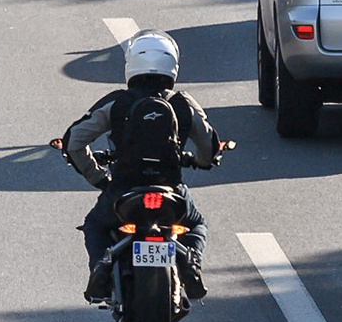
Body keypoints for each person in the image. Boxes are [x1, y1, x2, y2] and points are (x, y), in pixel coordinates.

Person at [58, 31, 226, 301]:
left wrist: (99, 178)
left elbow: (74, 141)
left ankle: (101, 268)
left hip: (123, 191)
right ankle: (191, 262)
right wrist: (200, 161)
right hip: (171, 192)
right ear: (172, 65)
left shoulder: (117, 102)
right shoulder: (183, 103)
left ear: (131, 64)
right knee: (196, 225)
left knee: (95, 224)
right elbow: (208, 145)